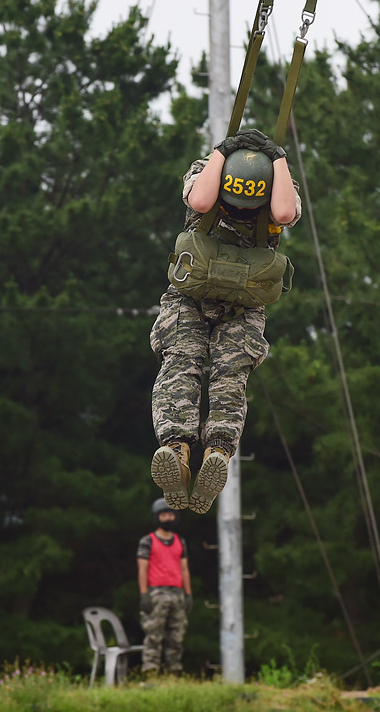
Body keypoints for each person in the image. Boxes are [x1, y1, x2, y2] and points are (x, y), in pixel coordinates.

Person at [150, 128, 301, 514]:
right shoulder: (206, 172)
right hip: (190, 298)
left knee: (229, 375)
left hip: (243, 308)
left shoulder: (277, 186)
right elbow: (201, 201)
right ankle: (177, 449)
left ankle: (216, 452)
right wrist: (222, 151)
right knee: (181, 364)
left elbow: (284, 213)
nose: (239, 210)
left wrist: (278, 158)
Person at [137, 498, 193, 674]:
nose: (167, 518)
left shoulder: (179, 541)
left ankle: (173, 673)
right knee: (154, 635)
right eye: (164, 515)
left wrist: (188, 594)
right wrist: (144, 593)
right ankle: (151, 672)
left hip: (177, 592)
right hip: (156, 592)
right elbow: (142, 569)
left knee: (176, 637)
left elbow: (184, 569)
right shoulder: (148, 541)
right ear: (157, 517)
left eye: (170, 514)